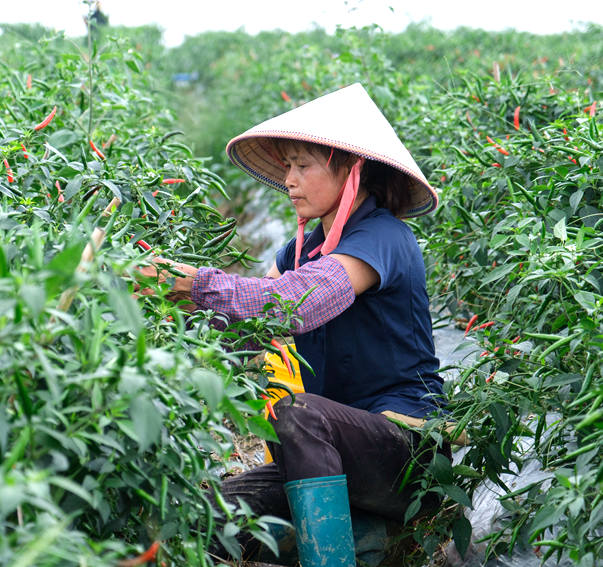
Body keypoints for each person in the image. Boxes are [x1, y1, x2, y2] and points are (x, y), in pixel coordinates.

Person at [138, 83, 451, 565]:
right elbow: (248, 325)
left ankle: (354, 546)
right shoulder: (299, 251)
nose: (289, 179)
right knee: (200, 519)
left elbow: (293, 304)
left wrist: (194, 283)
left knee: (298, 412)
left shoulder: (384, 236)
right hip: (326, 454)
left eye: (303, 165)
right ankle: (362, 539)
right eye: (287, 165)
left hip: (405, 455)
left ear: (352, 170)